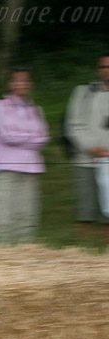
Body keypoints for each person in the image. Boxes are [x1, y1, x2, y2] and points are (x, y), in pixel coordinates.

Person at [0, 68, 49, 245]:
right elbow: (5, 135)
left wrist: (22, 136)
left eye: (26, 81)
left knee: (28, 215)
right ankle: (3, 257)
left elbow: (43, 139)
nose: (22, 84)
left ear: (31, 84)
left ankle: (26, 255)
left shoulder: (36, 109)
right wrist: (31, 137)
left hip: (31, 167)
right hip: (5, 167)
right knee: (3, 216)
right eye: (18, 80)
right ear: (11, 84)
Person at [64, 54, 109, 238]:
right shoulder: (83, 92)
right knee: (85, 210)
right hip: (86, 159)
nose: (107, 70)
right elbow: (73, 125)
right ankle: (84, 251)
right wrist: (92, 148)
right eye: (104, 67)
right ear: (98, 70)